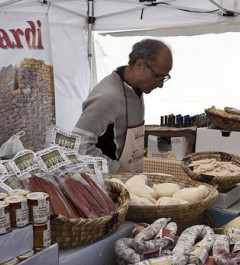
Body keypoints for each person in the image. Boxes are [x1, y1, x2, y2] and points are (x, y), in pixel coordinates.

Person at [72, 39, 173, 173]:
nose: (161, 85)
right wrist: (116, 170)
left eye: (165, 77)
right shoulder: (108, 96)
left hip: (129, 179)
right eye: (158, 77)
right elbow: (78, 145)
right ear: (139, 65)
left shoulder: (136, 89)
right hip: (107, 185)